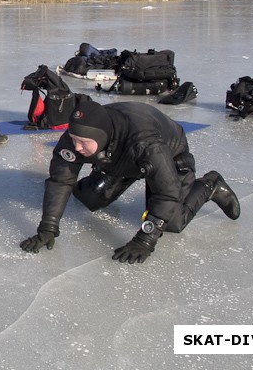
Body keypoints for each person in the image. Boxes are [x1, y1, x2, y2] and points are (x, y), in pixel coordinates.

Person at [20, 99, 240, 263]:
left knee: (173, 222)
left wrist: (146, 239)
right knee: (89, 197)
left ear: (100, 137)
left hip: (168, 152)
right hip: (122, 158)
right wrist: (48, 227)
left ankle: (210, 185)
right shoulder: (77, 138)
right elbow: (60, 181)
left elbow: (167, 190)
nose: (77, 148)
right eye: (74, 140)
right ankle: (127, 173)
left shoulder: (146, 143)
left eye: (83, 142)